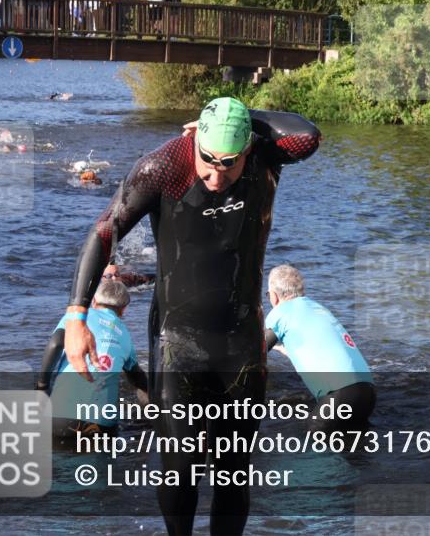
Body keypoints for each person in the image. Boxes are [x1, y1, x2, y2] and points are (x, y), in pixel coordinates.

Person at [63, 97, 320, 535]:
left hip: (241, 346)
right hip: (177, 343)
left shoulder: (266, 156)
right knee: (180, 469)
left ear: (247, 149)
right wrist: (76, 317)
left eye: (229, 164)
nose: (216, 176)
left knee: (234, 473)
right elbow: (103, 232)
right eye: (208, 162)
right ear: (195, 139)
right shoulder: (163, 167)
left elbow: (308, 134)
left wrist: (246, 118)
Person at [264, 265, 375, 433]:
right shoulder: (317, 308)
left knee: (311, 449)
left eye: (268, 295)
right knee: (355, 450)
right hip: (368, 392)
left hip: (339, 395)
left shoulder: (279, 313)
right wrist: (284, 349)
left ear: (274, 296)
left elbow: (257, 352)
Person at [37, 277, 146, 441]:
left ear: (94, 301)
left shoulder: (76, 319)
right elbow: (138, 379)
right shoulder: (125, 335)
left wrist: (42, 386)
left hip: (60, 417)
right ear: (124, 309)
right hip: (101, 425)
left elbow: (54, 345)